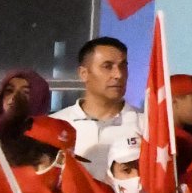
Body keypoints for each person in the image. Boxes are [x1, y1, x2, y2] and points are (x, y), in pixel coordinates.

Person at [60, 36, 142, 181]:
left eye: (123, 65)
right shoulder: (58, 125)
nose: (119, 75)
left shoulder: (147, 125)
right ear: (83, 73)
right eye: (107, 66)